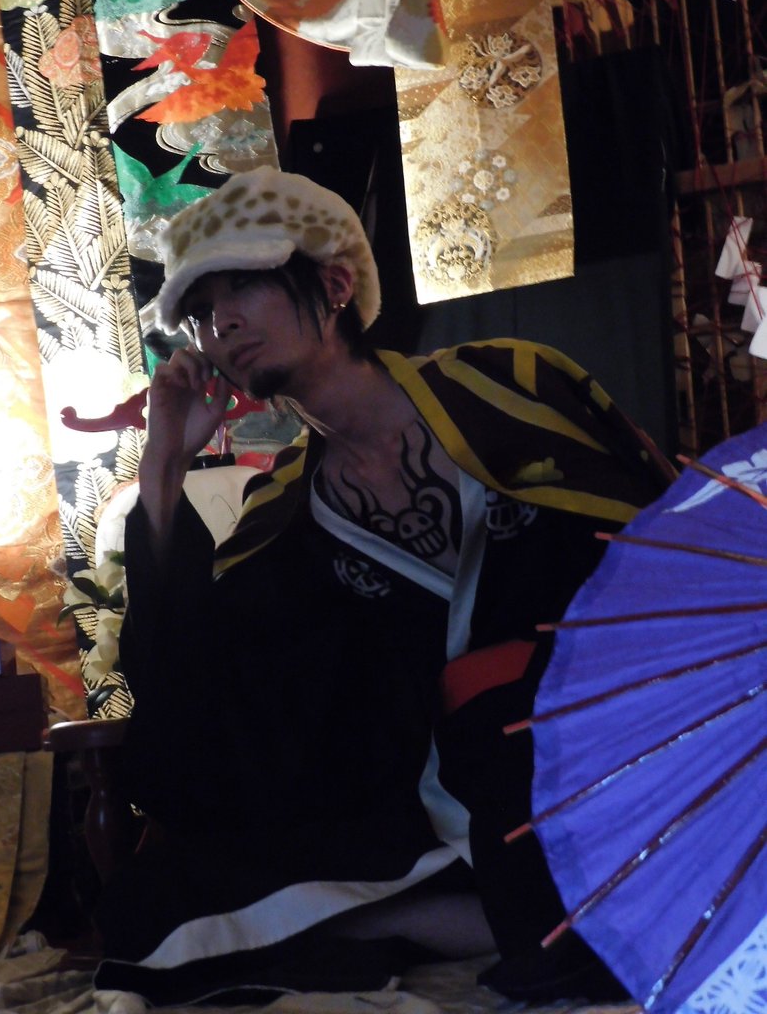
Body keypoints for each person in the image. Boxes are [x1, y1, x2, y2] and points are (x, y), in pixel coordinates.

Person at [93, 166, 675, 1005]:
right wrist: (164, 466)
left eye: (243, 285)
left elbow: (661, 541)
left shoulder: (510, 385)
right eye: (201, 311)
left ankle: (471, 915)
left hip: (603, 737)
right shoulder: (283, 517)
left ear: (334, 285)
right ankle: (461, 917)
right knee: (149, 903)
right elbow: (199, 713)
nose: (221, 324)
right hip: (435, 797)